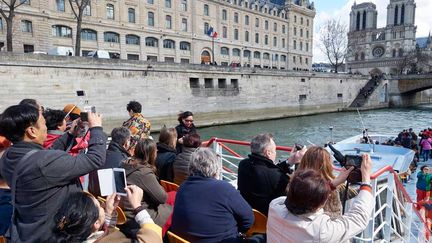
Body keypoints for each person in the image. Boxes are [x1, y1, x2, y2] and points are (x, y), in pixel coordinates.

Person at [0, 103, 107, 242]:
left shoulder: (8, 156)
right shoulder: (43, 162)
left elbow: (43, 156)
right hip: (50, 235)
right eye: (44, 123)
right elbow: (95, 159)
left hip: (26, 231)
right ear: (32, 131)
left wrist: (70, 134)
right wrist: (96, 128)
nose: (46, 128)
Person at [267, 154, 374, 242]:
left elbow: (300, 195)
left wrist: (335, 182)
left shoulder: (275, 206)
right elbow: (358, 217)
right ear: (321, 203)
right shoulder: (320, 231)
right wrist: (366, 181)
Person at [171, 148, 254, 242]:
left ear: (191, 167)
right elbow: (249, 219)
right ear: (215, 167)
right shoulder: (224, 189)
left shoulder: (183, 187)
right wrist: (237, 230)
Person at [48, 185, 162, 242]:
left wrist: (108, 213)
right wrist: (138, 207)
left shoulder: (70, 235)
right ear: (96, 223)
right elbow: (152, 239)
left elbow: (105, 236)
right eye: (99, 205)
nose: (103, 205)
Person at [120, 139, 173, 237]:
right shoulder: (144, 173)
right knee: (172, 209)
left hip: (125, 213)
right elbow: (162, 198)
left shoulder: (125, 164)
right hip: (137, 214)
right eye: (156, 150)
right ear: (152, 153)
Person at [237, 133, 291, 215]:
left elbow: (268, 169)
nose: (276, 153)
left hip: (248, 213)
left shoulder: (243, 164)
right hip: (268, 218)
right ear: (268, 153)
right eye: (275, 150)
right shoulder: (276, 176)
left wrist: (289, 162)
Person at [298, 146, 354, 219]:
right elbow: (354, 193)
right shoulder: (335, 187)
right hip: (328, 226)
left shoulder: (296, 183)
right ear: (326, 166)